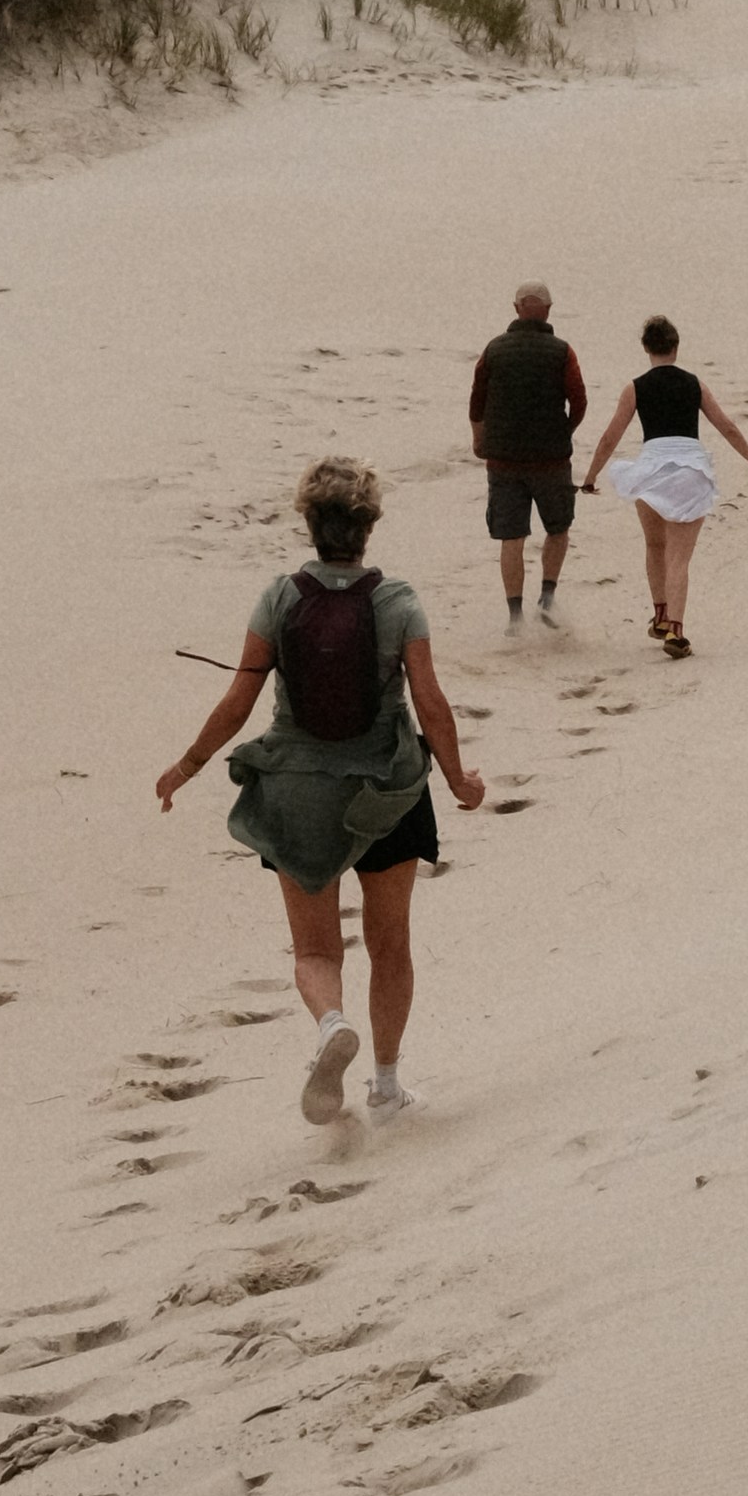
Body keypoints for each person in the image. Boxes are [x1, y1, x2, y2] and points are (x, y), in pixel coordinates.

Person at [155, 455, 482, 1124]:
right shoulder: (398, 601)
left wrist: (186, 767)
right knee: (391, 944)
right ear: (369, 526)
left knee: (314, 949)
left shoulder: (280, 597)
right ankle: (386, 1088)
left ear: (309, 523)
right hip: (388, 790)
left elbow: (240, 698)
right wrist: (457, 778)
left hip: (300, 791)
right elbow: (430, 702)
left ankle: (332, 1023)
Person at [582, 314, 748, 661]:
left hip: (650, 470)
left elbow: (610, 437)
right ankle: (676, 629)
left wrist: (590, 478)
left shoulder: (635, 387)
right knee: (679, 557)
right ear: (676, 347)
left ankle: (661, 614)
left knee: (654, 545)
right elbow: (727, 426)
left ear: (647, 348)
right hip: (690, 471)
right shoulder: (695, 384)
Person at [467, 278, 587, 628]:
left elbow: (477, 401)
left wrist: (479, 439)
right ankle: (547, 597)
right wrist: (565, 431)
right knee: (558, 528)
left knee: (511, 537)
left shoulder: (494, 349)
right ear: (548, 310)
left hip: (504, 460)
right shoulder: (563, 351)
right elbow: (578, 401)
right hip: (551, 459)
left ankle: (515, 617)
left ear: (517, 308)